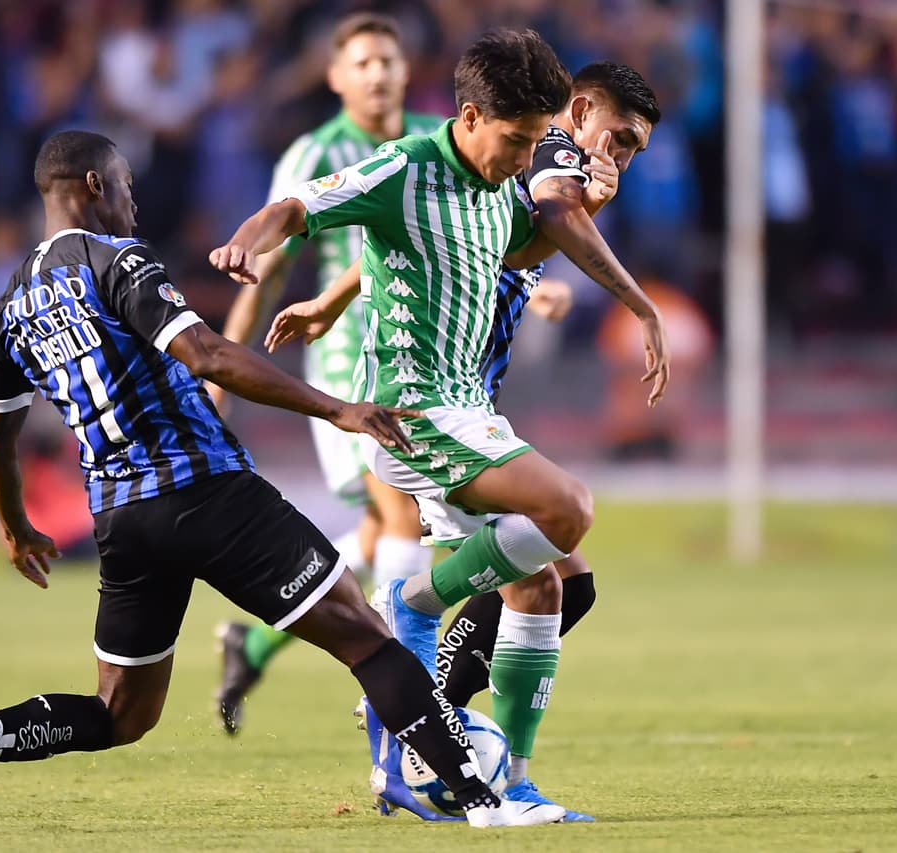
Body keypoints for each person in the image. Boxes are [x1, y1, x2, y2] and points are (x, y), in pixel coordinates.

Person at [0, 130, 566, 835]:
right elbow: (208, 354)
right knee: (369, 639)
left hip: (122, 519)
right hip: (206, 490)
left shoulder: (12, 304)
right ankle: (485, 801)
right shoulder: (117, 260)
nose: (132, 204)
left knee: (122, 712)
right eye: (126, 186)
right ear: (94, 186)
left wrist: (13, 526)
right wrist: (338, 409)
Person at [212, 31, 668, 818]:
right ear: (576, 109)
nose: (530, 156)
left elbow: (481, 244)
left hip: (469, 402)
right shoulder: (538, 152)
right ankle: (415, 617)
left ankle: (500, 775)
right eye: (619, 137)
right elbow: (302, 206)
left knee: (548, 584)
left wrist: (330, 300)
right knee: (566, 510)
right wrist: (247, 242)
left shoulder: (499, 174)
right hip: (417, 407)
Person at [209, 12, 446, 737]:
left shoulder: (435, 138)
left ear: (406, 71)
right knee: (403, 516)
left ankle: (252, 642)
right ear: (336, 77)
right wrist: (221, 370)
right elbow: (269, 269)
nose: (378, 74)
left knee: (382, 527)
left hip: (427, 353)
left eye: (388, 60)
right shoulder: (315, 153)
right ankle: (405, 703)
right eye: (362, 63)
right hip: (350, 361)